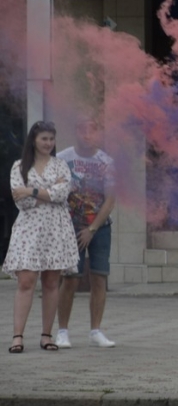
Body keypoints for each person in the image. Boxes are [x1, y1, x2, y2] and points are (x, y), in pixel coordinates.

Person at [4, 121, 79, 353]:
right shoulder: (19, 166)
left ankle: (47, 335)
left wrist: (32, 190)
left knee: (50, 282)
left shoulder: (60, 166)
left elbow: (61, 194)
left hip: (56, 229)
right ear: (34, 140)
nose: (48, 143)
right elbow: (21, 200)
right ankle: (17, 336)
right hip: (29, 230)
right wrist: (44, 193)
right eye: (44, 138)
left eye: (51, 139)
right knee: (26, 281)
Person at [56, 119, 117, 348]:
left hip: (99, 227)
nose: (87, 135)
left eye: (92, 130)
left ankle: (96, 331)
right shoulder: (63, 159)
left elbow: (110, 199)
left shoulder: (107, 162)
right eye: (82, 129)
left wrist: (92, 229)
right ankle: (62, 331)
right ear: (76, 132)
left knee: (99, 278)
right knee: (70, 278)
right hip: (70, 225)